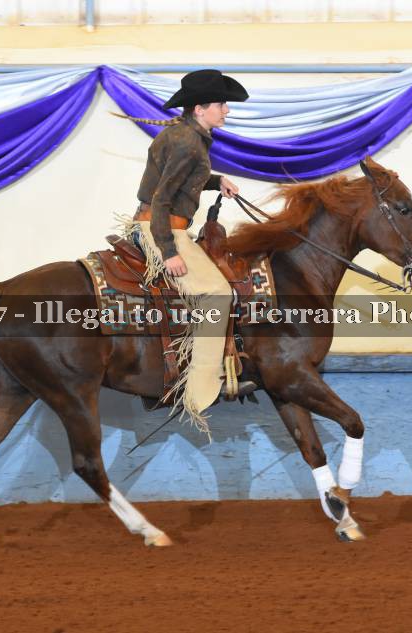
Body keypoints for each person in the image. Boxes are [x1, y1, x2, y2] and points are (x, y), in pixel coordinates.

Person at [121, 69, 256, 433]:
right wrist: (168, 251)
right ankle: (200, 392)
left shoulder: (186, 135)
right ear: (200, 109)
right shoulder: (187, 142)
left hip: (161, 224)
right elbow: (162, 198)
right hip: (162, 229)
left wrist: (216, 181)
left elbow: (181, 180)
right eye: (221, 104)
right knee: (218, 294)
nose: (226, 110)